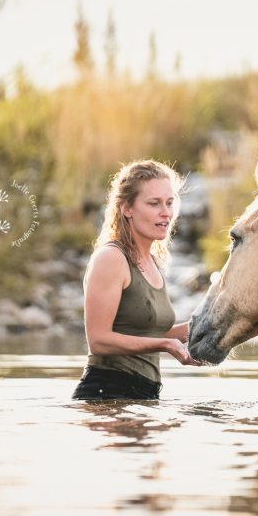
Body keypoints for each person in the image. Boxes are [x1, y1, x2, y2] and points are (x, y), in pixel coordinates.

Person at [73, 159, 201, 400]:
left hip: (142, 396)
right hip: (106, 394)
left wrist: (210, 326)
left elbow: (150, 334)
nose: (166, 212)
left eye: (170, 203)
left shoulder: (152, 261)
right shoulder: (111, 258)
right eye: (154, 203)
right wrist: (166, 346)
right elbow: (99, 341)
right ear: (126, 208)